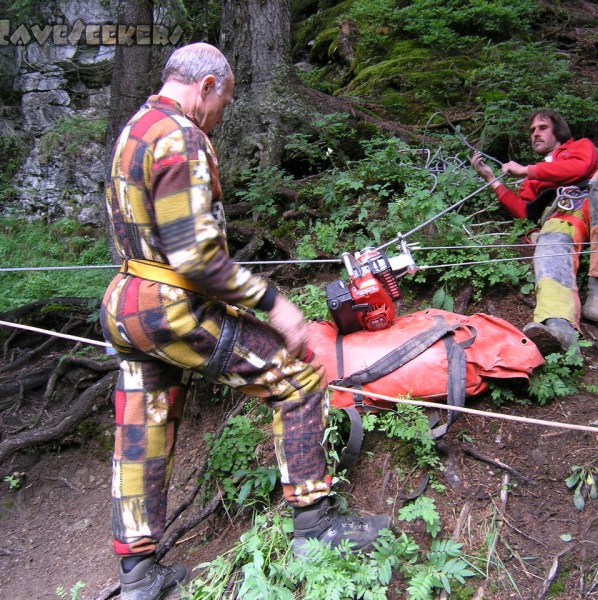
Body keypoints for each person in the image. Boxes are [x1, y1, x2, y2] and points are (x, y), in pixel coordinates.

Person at [100, 42, 389, 599]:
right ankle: (316, 526)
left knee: (143, 425)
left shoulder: (134, 129)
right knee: (298, 378)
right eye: (223, 101)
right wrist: (275, 305)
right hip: (170, 307)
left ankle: (138, 578)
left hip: (125, 304)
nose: (221, 114)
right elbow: (198, 258)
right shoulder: (181, 136)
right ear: (206, 86)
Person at [471, 109, 598, 354]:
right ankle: (560, 326)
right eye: (531, 131)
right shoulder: (532, 178)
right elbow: (523, 210)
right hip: (565, 218)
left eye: (542, 128)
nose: (535, 134)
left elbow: (579, 169)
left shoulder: (579, 147)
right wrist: (492, 180)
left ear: (558, 130)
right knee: (549, 242)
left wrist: (528, 170)